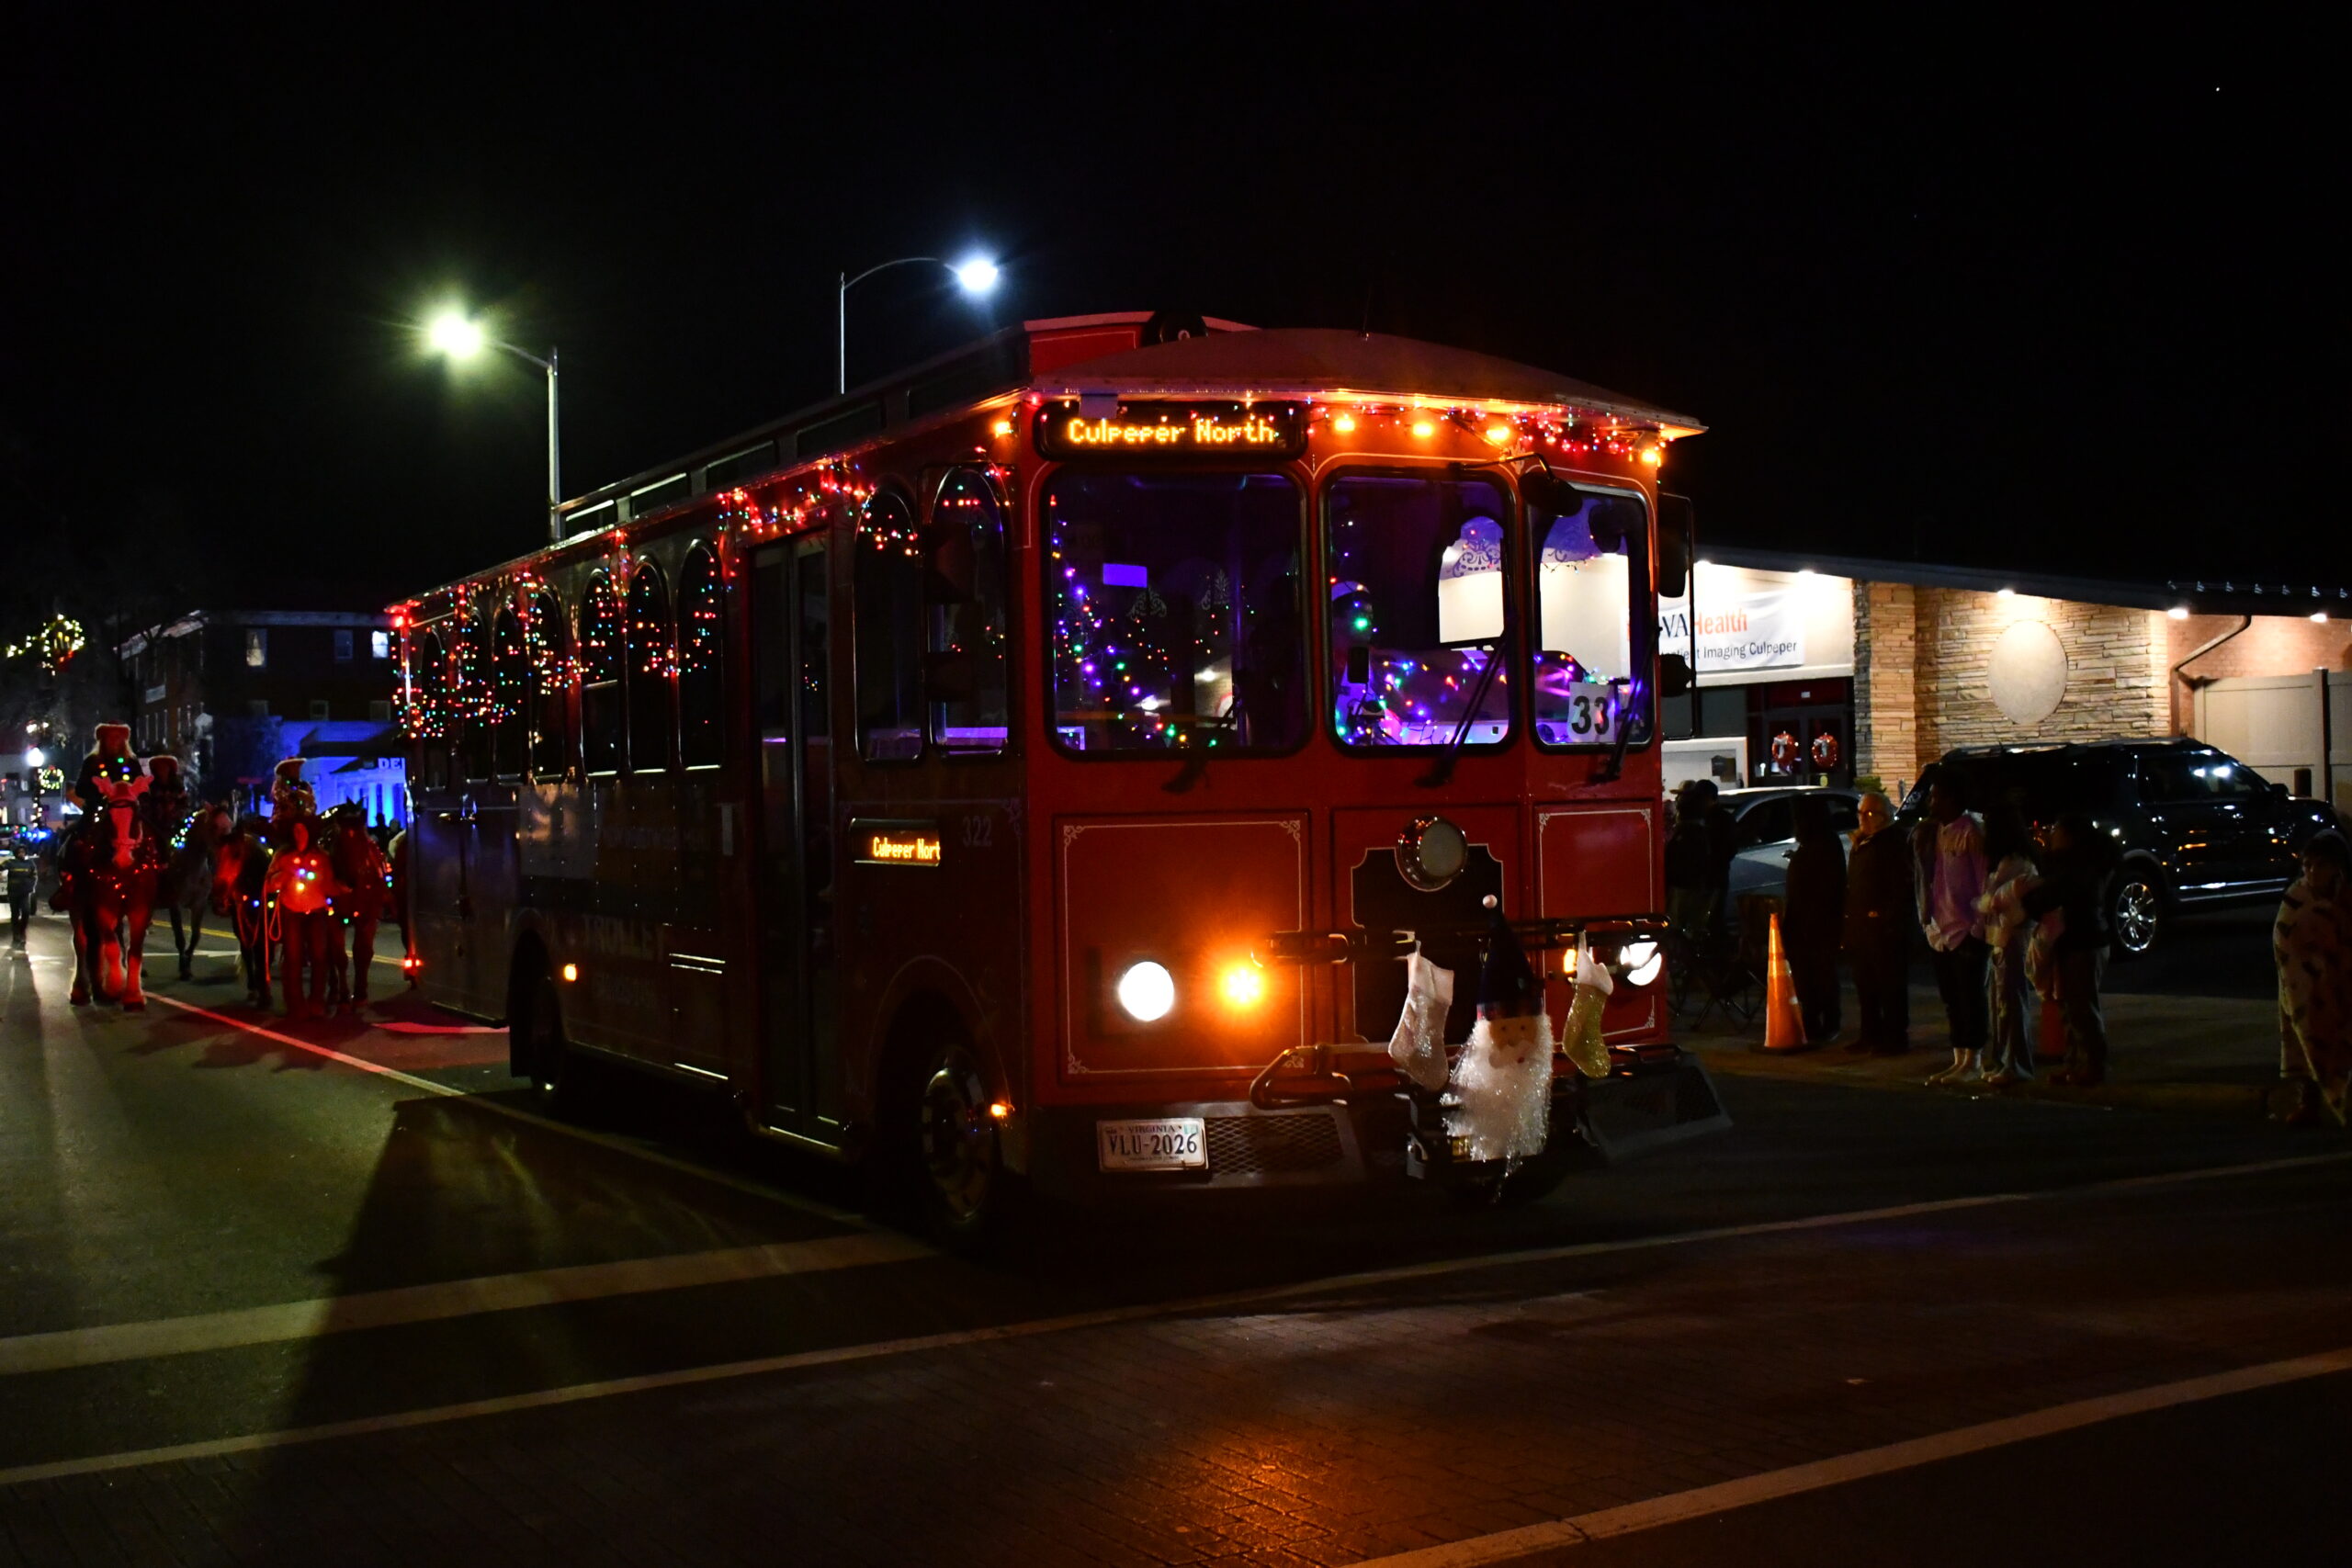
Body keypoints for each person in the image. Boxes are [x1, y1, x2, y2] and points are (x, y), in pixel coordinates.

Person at [2020, 812, 2118, 1086]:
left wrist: (2029, 900)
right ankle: (2076, 1065)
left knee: (2081, 1008)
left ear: (2072, 836)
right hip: (2077, 939)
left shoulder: (2080, 867)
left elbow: (2054, 894)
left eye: (2058, 830)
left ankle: (2091, 1067)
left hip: (2083, 940)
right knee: (2070, 1007)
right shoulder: (2080, 864)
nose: (2052, 835)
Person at [2273, 829, 2351, 1127]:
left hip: (2341, 982)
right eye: (2307, 865)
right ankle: (2310, 1102)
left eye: (2320, 865)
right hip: (2305, 988)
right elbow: (2286, 943)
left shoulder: (2345, 898)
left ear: (2336, 867)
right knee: (2308, 1040)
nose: (2312, 872)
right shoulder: (2296, 900)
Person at [1915, 776, 1989, 1086]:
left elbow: (1984, 882)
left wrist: (1977, 928)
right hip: (1940, 930)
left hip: (1965, 930)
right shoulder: (1935, 833)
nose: (1932, 803)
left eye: (1937, 797)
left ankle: (1975, 1059)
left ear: (1953, 800)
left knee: (1970, 997)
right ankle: (1959, 1057)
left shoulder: (1971, 832)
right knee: (1951, 999)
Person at [1973, 805, 2041, 1087]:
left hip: (2011, 937)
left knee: (2011, 1004)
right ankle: (2005, 1062)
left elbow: (1993, 900)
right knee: (2001, 1004)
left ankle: (2016, 1065)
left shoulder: (2014, 863)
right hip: (2002, 937)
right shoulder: (2007, 861)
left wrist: (1985, 903)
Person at [1843, 791, 1912, 1055]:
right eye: (1860, 813)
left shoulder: (1892, 842)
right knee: (1866, 983)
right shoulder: (1862, 842)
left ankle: (1894, 1037)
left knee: (1890, 985)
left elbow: (1899, 887)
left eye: (1869, 813)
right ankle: (1869, 1034)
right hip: (1862, 927)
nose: (1863, 818)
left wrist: (1887, 917)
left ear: (1885, 816)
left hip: (1883, 928)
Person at [262, 816, 344, 1021]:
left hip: (317, 911)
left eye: (303, 831)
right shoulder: (283, 855)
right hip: (291, 911)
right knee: (293, 957)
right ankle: (295, 1002)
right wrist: (282, 877)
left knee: (319, 956)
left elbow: (329, 886)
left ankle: (317, 1001)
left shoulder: (322, 857)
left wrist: (341, 889)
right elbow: (268, 885)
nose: (299, 835)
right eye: (296, 831)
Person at [1783, 794, 1847, 1044]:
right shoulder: (1811, 844)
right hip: (1802, 924)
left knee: (1822, 977)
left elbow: (1828, 888)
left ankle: (1828, 1023)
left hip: (1819, 925)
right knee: (1806, 978)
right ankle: (1810, 1023)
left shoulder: (1825, 845)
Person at [6, 850, 35, 950]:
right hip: (13, 892)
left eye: (23, 852)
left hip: (24, 893)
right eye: (19, 852)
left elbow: (34, 876)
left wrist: (30, 886)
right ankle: (16, 933)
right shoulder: (10, 862)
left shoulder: (30, 863)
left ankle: (22, 931)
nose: (21, 854)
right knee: (15, 913)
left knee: (26, 911)